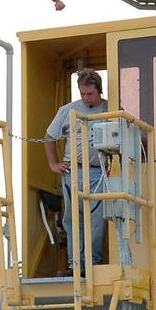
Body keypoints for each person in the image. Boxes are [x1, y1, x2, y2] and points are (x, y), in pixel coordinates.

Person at [43, 69, 108, 273]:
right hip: (74, 171)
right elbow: (49, 137)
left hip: (99, 171)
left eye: (90, 93)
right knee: (72, 219)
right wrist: (54, 164)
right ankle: (75, 265)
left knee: (98, 220)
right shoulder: (68, 110)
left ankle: (93, 265)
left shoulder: (111, 107)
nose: (86, 98)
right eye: (82, 94)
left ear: (99, 91)